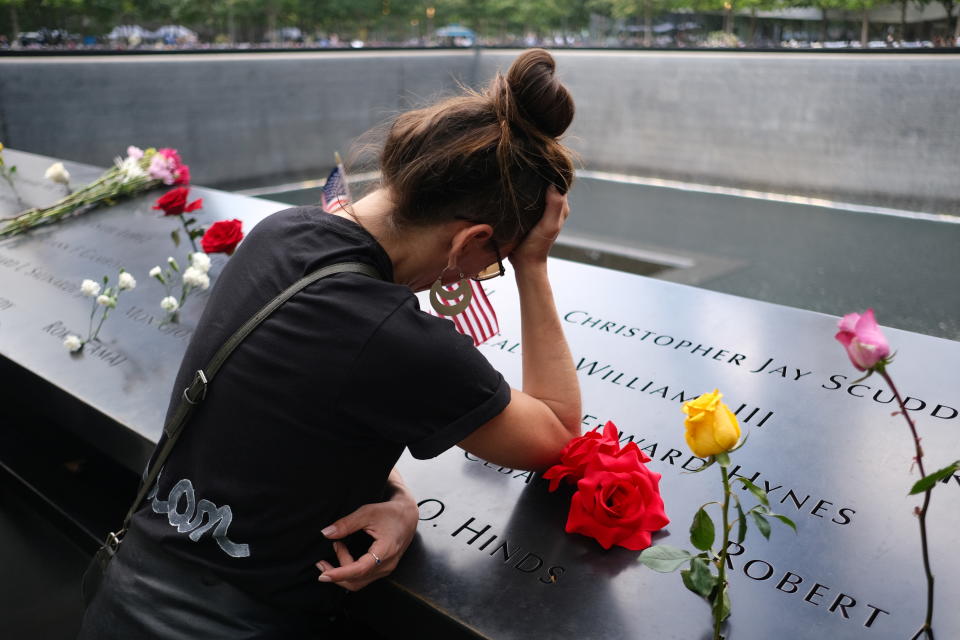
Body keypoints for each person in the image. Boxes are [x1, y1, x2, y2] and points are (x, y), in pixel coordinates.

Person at [78, 48, 582, 638]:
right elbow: (558, 434)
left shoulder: (278, 235)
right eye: (490, 263)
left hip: (122, 600)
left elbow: (294, 414)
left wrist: (393, 491)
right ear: (472, 238)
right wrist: (534, 265)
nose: (473, 278)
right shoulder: (390, 335)